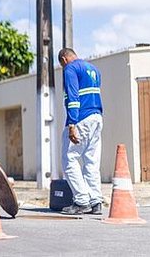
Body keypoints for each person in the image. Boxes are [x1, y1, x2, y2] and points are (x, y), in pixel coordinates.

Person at [58, 48, 104, 215]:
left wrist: (72, 124)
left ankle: (81, 201)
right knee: (91, 161)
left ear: (64, 59)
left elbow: (73, 97)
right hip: (97, 117)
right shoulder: (94, 69)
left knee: (69, 158)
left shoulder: (70, 69)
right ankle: (96, 201)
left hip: (81, 118)